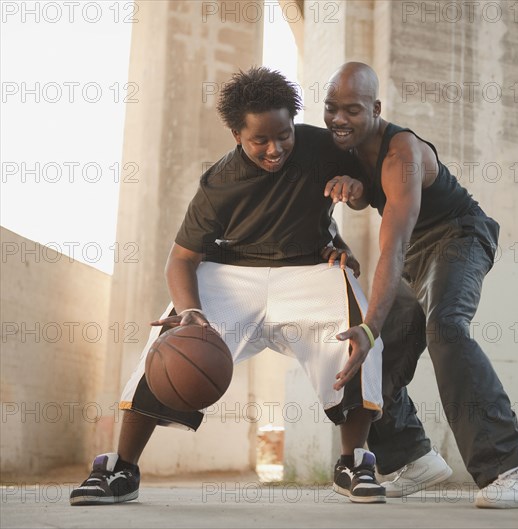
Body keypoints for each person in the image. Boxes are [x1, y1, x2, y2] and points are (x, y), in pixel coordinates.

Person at [69, 67, 388, 506]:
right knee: (169, 343)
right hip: (231, 272)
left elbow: (366, 187)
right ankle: (122, 468)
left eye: (284, 134)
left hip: (308, 270)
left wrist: (354, 189)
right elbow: (181, 260)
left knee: (354, 329)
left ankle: (353, 461)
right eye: (261, 140)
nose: (275, 148)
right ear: (237, 135)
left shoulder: (322, 147)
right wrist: (191, 313)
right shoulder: (218, 183)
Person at [321, 61, 518, 509]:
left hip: (459, 236)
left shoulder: (401, 153)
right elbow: (358, 198)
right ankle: (414, 456)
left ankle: (515, 467)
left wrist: (369, 325)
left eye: (352, 109)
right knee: (374, 358)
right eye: (331, 107)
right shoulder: (342, 147)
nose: (338, 119)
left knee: (444, 326)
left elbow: (394, 247)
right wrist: (350, 207)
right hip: (417, 254)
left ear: (376, 108)